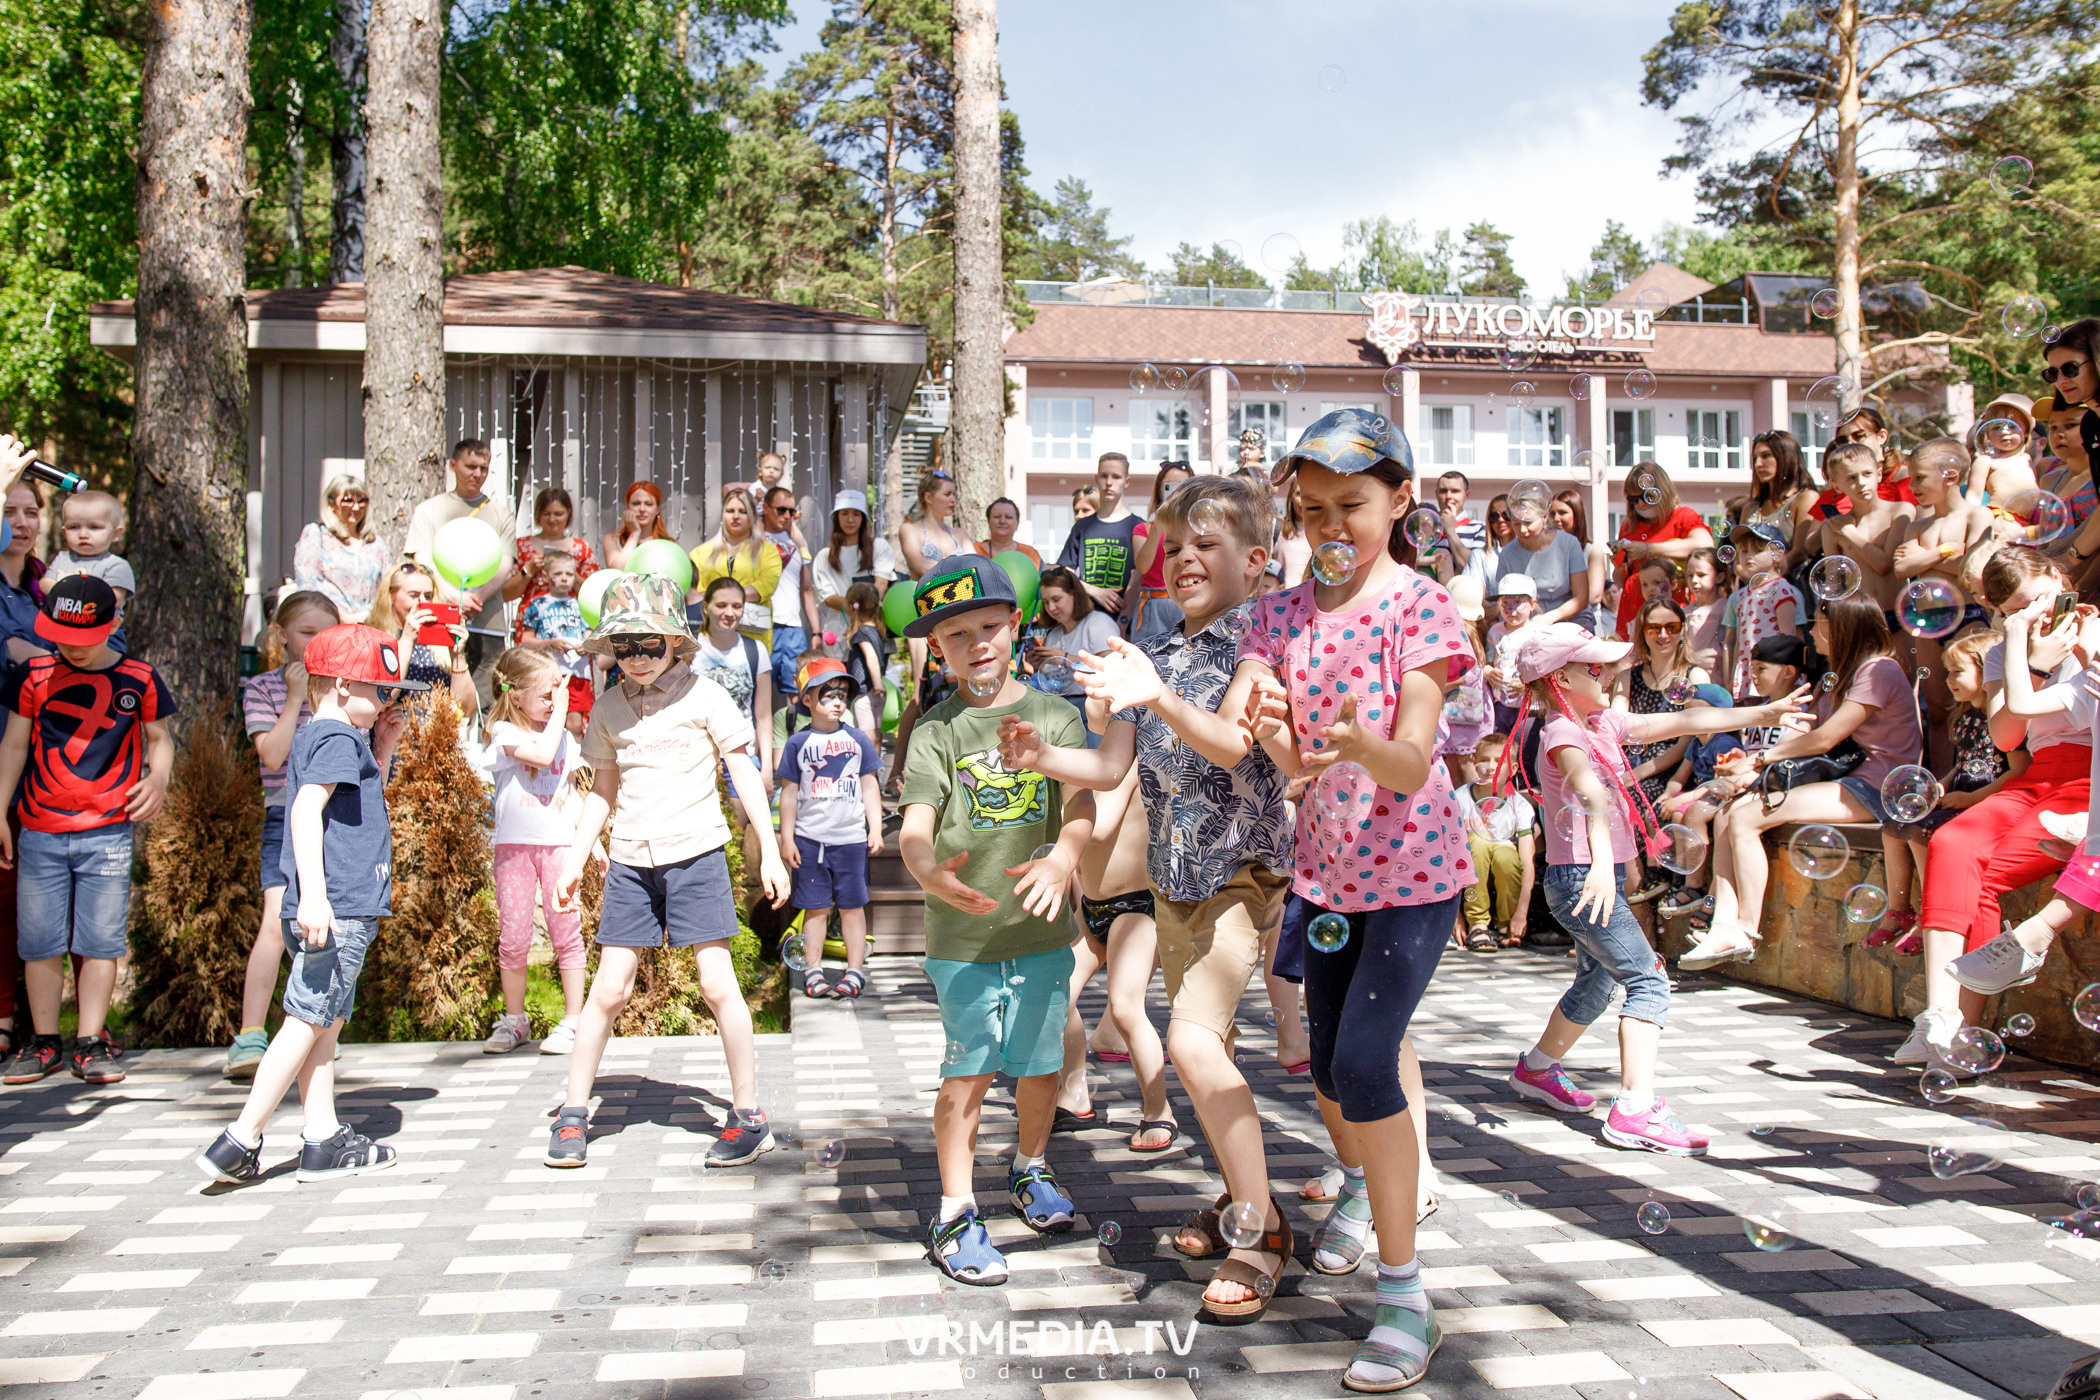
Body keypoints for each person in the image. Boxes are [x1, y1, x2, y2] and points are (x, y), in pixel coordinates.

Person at [1001, 475, 1295, 1318]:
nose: (1186, 560)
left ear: (1255, 559)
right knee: (1215, 1058)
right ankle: (1247, 1194)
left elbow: (1239, 749)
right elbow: (1109, 767)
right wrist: (1040, 757)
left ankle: (1259, 1231)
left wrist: (1155, 694)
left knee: (1191, 1046)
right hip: (1173, 884)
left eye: (1208, 544)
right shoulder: (1155, 654)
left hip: (1240, 874)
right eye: (1175, 546)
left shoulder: (1259, 641)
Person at [1237, 409, 1474, 1391]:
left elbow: (1413, 757)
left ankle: (1406, 1294)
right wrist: (1259, 717)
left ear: (1400, 500)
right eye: (1311, 509)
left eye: (1353, 506)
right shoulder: (1280, 615)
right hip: (1327, 874)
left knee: (1369, 1064)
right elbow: (1285, 750)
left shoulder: (1420, 605)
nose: (1329, 526)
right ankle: (1365, 1189)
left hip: (1416, 874)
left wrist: (1358, 738)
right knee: (1329, 1074)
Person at [1498, 624, 1804, 1156]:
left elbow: (1687, 719)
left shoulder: (1600, 722)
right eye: (1595, 667)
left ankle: (1537, 1069)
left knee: (1597, 983)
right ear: (1561, 679)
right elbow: (1589, 793)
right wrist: (1598, 864)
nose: (1609, 671)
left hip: (1594, 876)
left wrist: (1764, 714)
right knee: (1649, 980)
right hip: (1580, 878)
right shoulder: (1562, 733)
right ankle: (1635, 1111)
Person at [548, 574, 791, 1169]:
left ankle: (749, 1114)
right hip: (631, 860)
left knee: (716, 984)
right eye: (623, 647)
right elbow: (601, 791)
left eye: (648, 645)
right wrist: (576, 859)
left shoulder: (706, 696)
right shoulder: (607, 707)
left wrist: (772, 848)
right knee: (609, 990)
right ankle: (574, 1111)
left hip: (698, 854)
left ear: (675, 643)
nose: (636, 659)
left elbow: (743, 773)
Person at [896, 554, 1093, 1287]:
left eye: (988, 626)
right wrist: (928, 872)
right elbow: (917, 825)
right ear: (937, 650)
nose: (976, 643)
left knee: (1042, 1067)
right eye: (956, 636)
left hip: (1040, 935)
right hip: (964, 941)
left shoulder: (1053, 714)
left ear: (1015, 624)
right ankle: (955, 1210)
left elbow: (1080, 801)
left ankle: (1030, 1167)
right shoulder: (936, 732)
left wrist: (1063, 859)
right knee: (969, 1076)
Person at [194, 623, 416, 1180]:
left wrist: (382, 747)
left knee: (324, 1023)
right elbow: (304, 812)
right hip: (335, 907)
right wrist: (316, 897)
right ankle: (240, 1139)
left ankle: (321, 1137)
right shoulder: (339, 739)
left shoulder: (327, 735)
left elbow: (354, 808)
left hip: (331, 905)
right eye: (378, 689)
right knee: (305, 1021)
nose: (385, 699)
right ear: (342, 685)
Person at [1897, 547, 2090, 1064]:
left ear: (2058, 577)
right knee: (1951, 839)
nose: (2041, 613)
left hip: (2090, 778)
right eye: (2021, 609)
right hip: (2038, 776)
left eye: (2042, 598)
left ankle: (1962, 1036)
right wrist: (2032, 660)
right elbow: (2007, 738)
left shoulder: (2093, 630)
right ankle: (1942, 1015)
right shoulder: (2012, 646)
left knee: (1983, 876)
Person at [0, 577, 175, 1087]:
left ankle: (92, 1042)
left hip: (109, 831)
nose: (71, 646)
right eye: (59, 634)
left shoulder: (139, 677)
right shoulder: (34, 673)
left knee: (100, 940)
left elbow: (160, 738)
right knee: (38, 941)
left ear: (114, 625)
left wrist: (158, 778)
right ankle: (45, 1042)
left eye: (83, 636)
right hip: (39, 829)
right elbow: (14, 744)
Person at [1683, 596, 1920, 969]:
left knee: (1745, 819)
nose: (1811, 631)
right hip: (1853, 778)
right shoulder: (1844, 675)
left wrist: (1759, 759)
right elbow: (1806, 733)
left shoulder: (1878, 671)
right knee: (1730, 812)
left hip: (1880, 787)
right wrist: (1751, 772)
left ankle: (1744, 930)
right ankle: (1723, 925)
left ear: (1843, 627)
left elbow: (1825, 739)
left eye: (1819, 622)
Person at [226, 590, 341, 1079]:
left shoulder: (343, 687)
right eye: (307, 632)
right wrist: (296, 698)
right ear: (281, 637)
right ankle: (251, 1035)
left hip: (340, 819)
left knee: (334, 930)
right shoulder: (263, 689)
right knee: (277, 923)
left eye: (327, 632)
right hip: (286, 815)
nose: (316, 642)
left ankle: (318, 1033)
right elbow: (271, 756)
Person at [1877, 629, 2024, 953]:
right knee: (1892, 828)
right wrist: (1941, 784)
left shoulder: (2004, 718)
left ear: (1988, 671)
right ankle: (1899, 910)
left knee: (1919, 832)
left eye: (1958, 672)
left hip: (1988, 805)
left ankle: (1928, 916)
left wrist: (1971, 799)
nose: (1948, 681)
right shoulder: (1964, 717)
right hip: (1962, 799)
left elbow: (2020, 771)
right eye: (1947, 673)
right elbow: (1965, 763)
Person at [481, 648, 587, 1056]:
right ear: (516, 695)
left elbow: (575, 791)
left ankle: (574, 1019)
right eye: (546, 695)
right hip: (514, 849)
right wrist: (561, 712)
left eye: (558, 693)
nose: (555, 700)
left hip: (558, 845)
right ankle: (515, 1020)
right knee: (514, 935)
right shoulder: (505, 733)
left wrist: (588, 842)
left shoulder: (565, 736)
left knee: (566, 932)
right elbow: (542, 757)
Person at [779, 657, 883, 1001]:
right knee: (816, 907)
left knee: (853, 907)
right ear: (806, 698)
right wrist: (786, 837)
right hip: (810, 840)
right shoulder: (798, 743)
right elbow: (789, 793)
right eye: (828, 694)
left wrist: (876, 828)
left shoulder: (857, 740)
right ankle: (813, 969)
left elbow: (870, 785)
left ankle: (855, 970)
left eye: (842, 695)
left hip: (851, 839)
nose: (838, 701)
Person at [402, 439, 515, 710]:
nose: (477, 474)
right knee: (440, 691)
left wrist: (477, 596)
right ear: (453, 465)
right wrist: (451, 595)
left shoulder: (500, 514)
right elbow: (423, 559)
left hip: (487, 620)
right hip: (441, 615)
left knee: (489, 697)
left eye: (483, 468)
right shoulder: (429, 510)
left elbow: (505, 563)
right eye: (470, 466)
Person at [1612, 464, 1715, 640]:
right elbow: (1622, 580)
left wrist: (1647, 549)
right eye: (1633, 499)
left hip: (1670, 609)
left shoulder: (1683, 516)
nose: (1641, 503)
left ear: (1662, 491)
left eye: (1646, 496)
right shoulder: (1629, 526)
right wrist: (1620, 564)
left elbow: (1705, 543)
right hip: (1634, 608)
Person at [367, 562, 479, 718]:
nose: (422, 602)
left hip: (436, 736)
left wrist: (457, 655)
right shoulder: (374, 638)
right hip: (395, 736)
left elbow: (466, 709)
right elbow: (385, 696)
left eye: (428, 596)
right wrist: (407, 639)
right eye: (413, 595)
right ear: (391, 596)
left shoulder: (438, 644)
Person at [692, 576, 774, 789]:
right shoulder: (687, 649)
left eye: (737, 606)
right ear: (705, 608)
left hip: (742, 756)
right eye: (721, 605)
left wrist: (766, 768)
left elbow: (763, 716)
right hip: (696, 758)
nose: (730, 613)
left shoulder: (755, 650)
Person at [1456, 732, 1535, 951]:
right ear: (1474, 762)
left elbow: (1527, 864)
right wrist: (1455, 916)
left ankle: (1506, 925)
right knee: (1478, 843)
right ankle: (1478, 923)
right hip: (1470, 874)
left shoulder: (1519, 806)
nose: (1491, 767)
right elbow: (1446, 856)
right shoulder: (1459, 799)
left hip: (1504, 872)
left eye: (1500, 762)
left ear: (1514, 769)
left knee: (1506, 853)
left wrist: (1521, 914)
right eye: (1484, 760)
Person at [1056, 453, 1143, 622]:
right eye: (1104, 476)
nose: (1109, 482)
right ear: (1096, 478)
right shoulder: (1081, 527)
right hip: (1084, 620)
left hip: (1125, 624)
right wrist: (1094, 590)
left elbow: (1140, 577)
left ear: (1127, 481)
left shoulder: (1138, 527)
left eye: (1116, 477)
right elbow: (1064, 572)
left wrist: (1124, 621)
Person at [1029, 566, 1118, 728]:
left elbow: (1112, 669)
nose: (1051, 608)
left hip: (1094, 708)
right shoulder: (1054, 634)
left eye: (1056, 599)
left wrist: (1064, 657)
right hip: (1060, 709)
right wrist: (1039, 665)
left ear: (1075, 595)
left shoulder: (1098, 622)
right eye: (1046, 602)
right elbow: (1055, 679)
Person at [292, 475, 390, 621]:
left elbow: (387, 585)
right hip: (328, 622)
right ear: (331, 503)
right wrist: (340, 616)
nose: (356, 507)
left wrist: (369, 616)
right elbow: (308, 582)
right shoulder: (316, 534)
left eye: (361, 501)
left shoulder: (375, 542)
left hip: (369, 624)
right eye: (348, 500)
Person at [516, 553, 593, 737]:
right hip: (548, 673)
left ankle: (575, 763)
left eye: (570, 573)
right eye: (558, 573)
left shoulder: (581, 604)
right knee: (548, 720)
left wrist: (587, 645)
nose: (565, 578)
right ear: (545, 576)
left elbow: (590, 632)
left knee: (574, 725)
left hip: (577, 672)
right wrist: (551, 643)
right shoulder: (537, 604)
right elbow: (525, 640)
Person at [45, 491, 135, 647]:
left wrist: (68, 596)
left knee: (105, 666)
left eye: (94, 527)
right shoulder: (63, 558)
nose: (83, 534)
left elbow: (114, 598)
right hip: (61, 628)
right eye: (74, 527)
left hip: (104, 632)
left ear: (115, 533)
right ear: (64, 531)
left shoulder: (116, 565)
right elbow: (45, 583)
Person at [1723, 524, 1802, 701]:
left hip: (1774, 671)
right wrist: (1734, 675)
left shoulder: (1779, 587)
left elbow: (1788, 635)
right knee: (1751, 724)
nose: (1749, 556)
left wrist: (1784, 673)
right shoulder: (1742, 594)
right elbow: (1739, 642)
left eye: (1757, 550)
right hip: (1749, 670)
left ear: (1776, 554)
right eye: (1744, 551)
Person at [691, 486, 780, 643]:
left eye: (743, 511)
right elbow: (694, 593)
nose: (736, 516)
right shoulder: (700, 552)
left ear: (753, 516)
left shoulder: (768, 551)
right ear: (723, 514)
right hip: (709, 637)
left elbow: (766, 585)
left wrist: (721, 599)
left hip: (752, 638)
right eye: (730, 511)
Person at [1493, 483, 1590, 625]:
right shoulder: (1507, 553)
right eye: (1516, 524)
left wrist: (1550, 618)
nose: (1523, 530)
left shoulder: (1569, 544)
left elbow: (1581, 598)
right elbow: (1504, 599)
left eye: (1528, 523)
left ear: (1544, 517)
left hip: (1572, 621)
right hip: (1526, 623)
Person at [759, 486, 822, 701]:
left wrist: (816, 632)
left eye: (791, 511)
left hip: (793, 629)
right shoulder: (753, 538)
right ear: (766, 508)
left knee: (798, 693)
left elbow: (806, 590)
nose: (786, 516)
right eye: (780, 510)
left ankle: (796, 735)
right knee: (759, 692)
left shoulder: (797, 544)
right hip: (762, 626)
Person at [811, 489, 897, 642]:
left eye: (856, 514)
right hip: (838, 634)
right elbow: (828, 597)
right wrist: (854, 609)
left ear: (863, 518)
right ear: (837, 517)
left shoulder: (878, 547)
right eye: (844, 513)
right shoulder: (824, 556)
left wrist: (864, 616)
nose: (850, 519)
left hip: (873, 628)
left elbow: (881, 583)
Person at [507, 486, 599, 626]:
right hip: (532, 623)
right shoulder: (521, 546)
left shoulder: (581, 549)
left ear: (568, 513)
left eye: (558, 514)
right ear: (538, 514)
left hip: (570, 622)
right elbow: (505, 593)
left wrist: (568, 573)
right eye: (546, 514)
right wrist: (528, 571)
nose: (552, 519)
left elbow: (593, 595)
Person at [1734, 431, 1820, 574]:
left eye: (1766, 456)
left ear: (1786, 456)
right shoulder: (1750, 508)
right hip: (1751, 589)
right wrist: (1745, 575)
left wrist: (1771, 577)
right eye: (1755, 458)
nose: (1758, 464)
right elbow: (1738, 557)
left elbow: (1800, 551)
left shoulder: (1805, 498)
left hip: (1789, 588)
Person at [1128, 462, 1194, 634]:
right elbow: (1142, 566)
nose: (1175, 492)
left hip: (1187, 600)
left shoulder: (1199, 529)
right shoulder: (1144, 529)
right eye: (1169, 486)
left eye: (1182, 486)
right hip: (1152, 604)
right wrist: (1159, 523)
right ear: (1159, 490)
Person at [1551, 489, 1614, 638]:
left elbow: (1594, 596)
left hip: (1585, 627)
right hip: (1554, 629)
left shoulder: (1592, 551)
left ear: (1577, 515)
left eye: (1562, 512)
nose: (1556, 518)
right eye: (1552, 514)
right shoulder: (1546, 553)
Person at [840, 581, 890, 745]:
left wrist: (877, 684)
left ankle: (868, 771)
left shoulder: (861, 633)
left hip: (866, 691)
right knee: (876, 736)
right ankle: (875, 770)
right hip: (876, 691)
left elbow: (871, 658)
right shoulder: (876, 630)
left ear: (851, 605)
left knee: (867, 738)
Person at [900, 471, 970, 580]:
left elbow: (976, 566)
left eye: (954, 494)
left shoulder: (961, 534)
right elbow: (922, 567)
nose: (953, 499)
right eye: (947, 494)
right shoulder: (910, 530)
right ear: (928, 497)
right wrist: (963, 569)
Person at [603, 480, 675, 571]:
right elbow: (618, 571)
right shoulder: (612, 540)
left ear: (657, 509)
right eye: (636, 503)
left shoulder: (668, 545)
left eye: (648, 504)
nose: (642, 509)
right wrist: (635, 533)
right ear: (628, 506)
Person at [1682, 549, 1730, 677]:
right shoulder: (1685, 612)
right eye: (1690, 575)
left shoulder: (1725, 607)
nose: (1694, 580)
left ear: (1719, 577)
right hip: (1690, 678)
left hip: (1717, 678)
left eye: (1701, 575)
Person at [974, 496, 1041, 569]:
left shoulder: (1030, 554)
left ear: (1017, 523)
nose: (1002, 521)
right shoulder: (973, 552)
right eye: (997, 517)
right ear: (988, 521)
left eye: (1008, 517)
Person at [1276, 476, 1311, 588]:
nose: (1303, 500)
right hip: (1283, 598)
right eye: (1299, 494)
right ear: (1291, 497)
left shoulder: (1324, 530)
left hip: (1311, 598)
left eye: (1308, 494)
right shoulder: (1277, 528)